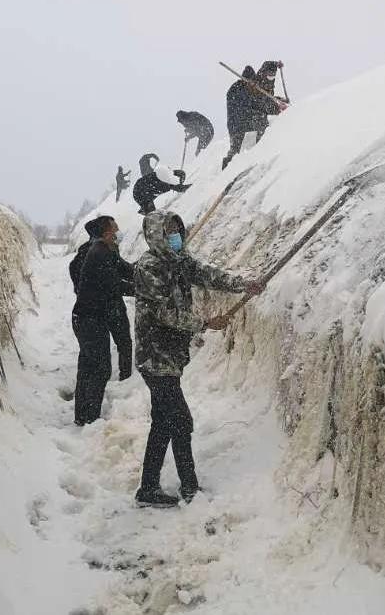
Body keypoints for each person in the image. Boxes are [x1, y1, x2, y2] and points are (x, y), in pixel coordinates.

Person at [132, 210, 265, 506]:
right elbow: (161, 313)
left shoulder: (178, 260)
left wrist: (243, 284)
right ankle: (188, 487)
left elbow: (206, 274)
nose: (177, 236)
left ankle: (149, 488)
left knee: (164, 421)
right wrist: (204, 323)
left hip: (170, 354)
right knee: (180, 420)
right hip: (155, 355)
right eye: (170, 231)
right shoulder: (150, 266)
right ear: (157, 235)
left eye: (179, 230)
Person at [71, 215, 134, 425]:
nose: (117, 234)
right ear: (106, 233)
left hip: (93, 315)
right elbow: (116, 285)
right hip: (90, 318)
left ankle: (83, 416)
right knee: (98, 368)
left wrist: (147, 272)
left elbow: (127, 269)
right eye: (115, 230)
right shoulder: (97, 253)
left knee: (90, 366)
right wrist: (147, 289)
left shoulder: (107, 250)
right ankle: (89, 418)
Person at [223, 63, 286, 170]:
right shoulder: (237, 90)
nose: (253, 84)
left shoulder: (249, 90)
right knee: (234, 150)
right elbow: (258, 105)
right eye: (251, 82)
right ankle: (226, 171)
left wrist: (278, 101)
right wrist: (276, 108)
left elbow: (263, 102)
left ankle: (259, 151)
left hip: (243, 121)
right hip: (236, 124)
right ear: (245, 80)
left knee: (261, 120)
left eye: (254, 82)